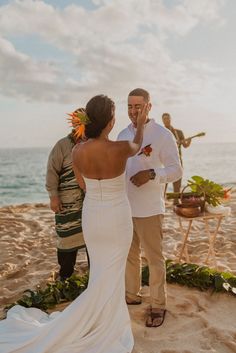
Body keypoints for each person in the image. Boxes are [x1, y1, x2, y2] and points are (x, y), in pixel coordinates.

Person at [0, 94, 147, 353]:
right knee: (112, 272)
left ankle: (100, 320)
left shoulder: (77, 150)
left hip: (92, 215)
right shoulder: (121, 147)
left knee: (100, 271)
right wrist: (142, 122)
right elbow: (139, 143)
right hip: (116, 217)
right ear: (110, 122)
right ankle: (107, 324)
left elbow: (82, 185)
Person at [117, 88, 182, 327]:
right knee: (130, 256)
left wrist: (152, 173)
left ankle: (157, 304)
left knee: (155, 259)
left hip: (150, 209)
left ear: (149, 107)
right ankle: (132, 296)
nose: (134, 112)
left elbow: (177, 170)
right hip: (126, 207)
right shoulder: (123, 134)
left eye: (138, 107)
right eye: (130, 107)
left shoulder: (163, 135)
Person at [45, 114, 88, 280]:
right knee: (67, 240)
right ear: (74, 125)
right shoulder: (62, 145)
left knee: (92, 241)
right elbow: (52, 172)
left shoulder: (92, 144)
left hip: (89, 203)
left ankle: (93, 280)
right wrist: (53, 196)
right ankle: (66, 276)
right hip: (66, 203)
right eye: (79, 124)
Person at [162, 112, 191, 195]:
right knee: (164, 183)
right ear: (162, 120)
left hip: (177, 160)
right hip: (165, 162)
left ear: (170, 119)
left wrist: (189, 141)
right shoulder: (161, 133)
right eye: (164, 119)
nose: (166, 120)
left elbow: (185, 145)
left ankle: (176, 200)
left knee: (177, 181)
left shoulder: (178, 132)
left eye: (168, 118)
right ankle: (162, 200)